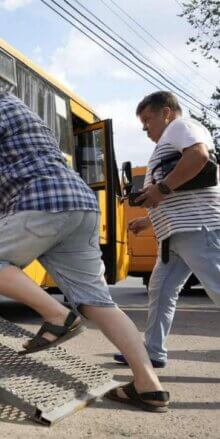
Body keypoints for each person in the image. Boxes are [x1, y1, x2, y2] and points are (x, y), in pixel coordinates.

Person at [0, 79, 169, 412]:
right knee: (97, 301)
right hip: (78, 206)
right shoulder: (26, 117)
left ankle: (57, 316)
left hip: (41, 203)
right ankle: (148, 385)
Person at [113, 91, 220, 369]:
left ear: (167, 112)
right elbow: (177, 193)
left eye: (148, 119)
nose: (145, 127)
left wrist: (160, 189)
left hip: (198, 227)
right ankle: (152, 352)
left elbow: (198, 156)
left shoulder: (181, 127)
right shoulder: (169, 141)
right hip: (174, 235)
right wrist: (148, 219)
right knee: (160, 293)